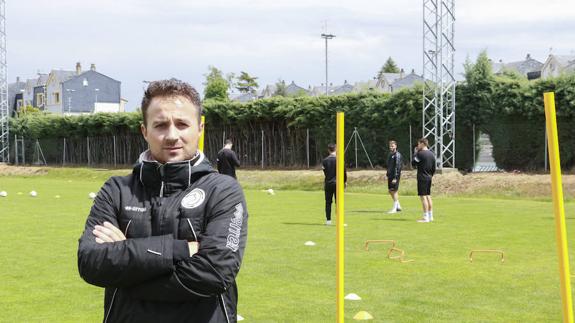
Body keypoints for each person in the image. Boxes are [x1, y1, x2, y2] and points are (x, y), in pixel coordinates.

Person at [77, 79, 248, 323]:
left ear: (199, 128)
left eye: (181, 124)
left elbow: (214, 273)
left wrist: (127, 267)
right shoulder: (117, 190)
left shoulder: (223, 190)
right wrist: (179, 249)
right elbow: (91, 262)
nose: (171, 135)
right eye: (160, 125)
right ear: (144, 130)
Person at [412, 137, 436, 223]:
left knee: (423, 197)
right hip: (429, 177)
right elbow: (434, 168)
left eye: (418, 144)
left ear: (422, 144)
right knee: (428, 196)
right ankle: (431, 215)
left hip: (422, 177)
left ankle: (425, 217)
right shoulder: (432, 154)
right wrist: (430, 175)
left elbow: (413, 163)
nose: (417, 145)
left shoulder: (420, 154)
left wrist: (415, 153)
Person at [322, 143, 347, 225]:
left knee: (328, 202)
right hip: (338, 183)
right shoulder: (340, 160)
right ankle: (340, 221)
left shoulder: (325, 161)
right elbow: (344, 172)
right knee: (339, 202)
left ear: (328, 150)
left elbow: (325, 172)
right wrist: (345, 182)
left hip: (328, 183)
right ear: (336, 149)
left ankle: (328, 220)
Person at [386, 140, 402, 214]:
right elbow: (389, 166)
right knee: (390, 191)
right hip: (390, 175)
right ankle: (398, 206)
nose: (391, 147)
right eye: (390, 146)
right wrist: (387, 174)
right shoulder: (390, 154)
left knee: (394, 191)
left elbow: (397, 167)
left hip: (395, 176)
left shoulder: (397, 155)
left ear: (396, 146)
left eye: (392, 146)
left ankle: (394, 208)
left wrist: (395, 177)